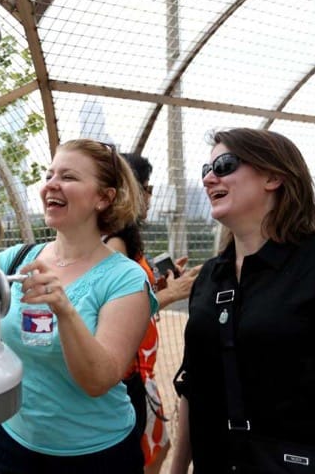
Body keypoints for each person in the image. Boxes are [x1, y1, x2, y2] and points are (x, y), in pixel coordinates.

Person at [170, 128, 315, 473]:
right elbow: (195, 385)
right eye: (206, 170)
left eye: (224, 165)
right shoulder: (210, 277)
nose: (208, 179)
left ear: (273, 177)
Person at [0, 139, 158, 474]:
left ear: (104, 198)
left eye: (68, 177)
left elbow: (98, 381)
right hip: (14, 442)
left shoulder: (125, 278)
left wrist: (64, 310)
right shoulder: (16, 259)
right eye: (49, 175)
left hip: (96, 455)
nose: (51, 184)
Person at [104, 153, 201, 474]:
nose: (149, 196)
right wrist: (172, 292)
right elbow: (114, 310)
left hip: (139, 369)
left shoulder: (125, 240)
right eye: (145, 187)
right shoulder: (116, 244)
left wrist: (160, 282)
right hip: (128, 371)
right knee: (146, 452)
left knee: (158, 446)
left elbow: (130, 293)